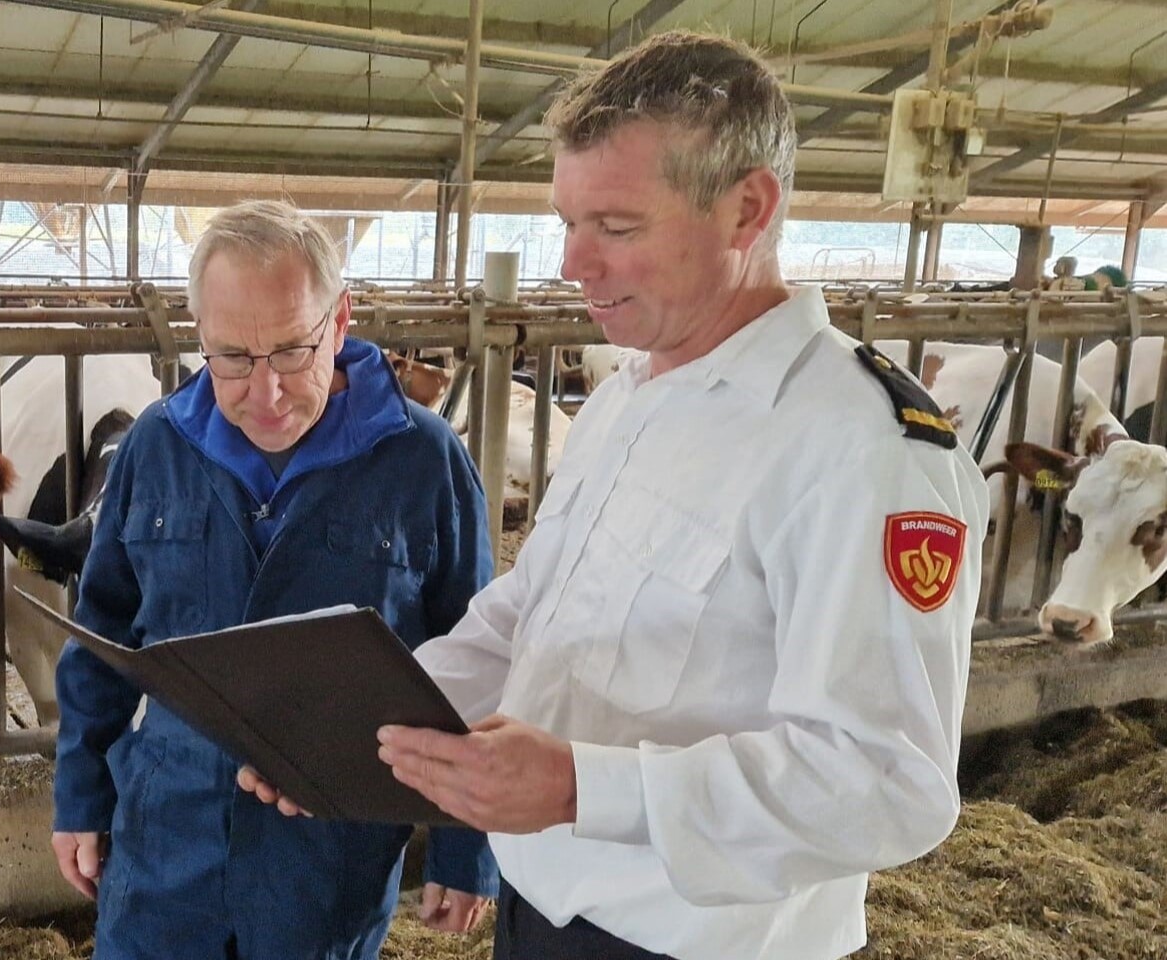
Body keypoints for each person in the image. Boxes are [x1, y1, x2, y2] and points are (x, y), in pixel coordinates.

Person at [245, 32, 990, 960]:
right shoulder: (625, 398)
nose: (572, 262)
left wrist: (580, 790)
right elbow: (525, 617)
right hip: (544, 905)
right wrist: (347, 735)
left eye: (617, 227)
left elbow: (888, 782)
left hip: (699, 941)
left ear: (745, 209)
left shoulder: (861, 449)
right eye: (567, 221)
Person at [52, 198, 499, 959]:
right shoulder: (158, 444)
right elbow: (102, 633)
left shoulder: (421, 460)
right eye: (230, 357)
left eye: (293, 351)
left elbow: (478, 657)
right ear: (198, 335)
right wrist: (78, 796)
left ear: (340, 319)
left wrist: (467, 848)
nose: (265, 393)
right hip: (166, 844)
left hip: (328, 859)